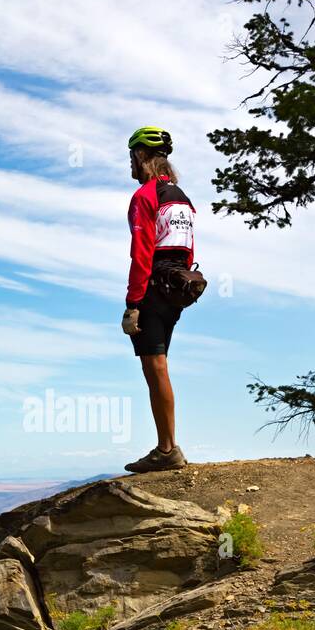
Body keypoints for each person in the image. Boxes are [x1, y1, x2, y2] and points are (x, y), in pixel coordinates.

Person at [121, 126, 196, 472]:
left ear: (140, 156)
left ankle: (167, 450)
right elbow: (187, 246)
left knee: (155, 365)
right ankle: (167, 446)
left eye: (132, 157)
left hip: (152, 287)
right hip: (179, 287)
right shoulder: (180, 197)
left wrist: (132, 304)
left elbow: (141, 252)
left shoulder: (145, 197)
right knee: (159, 363)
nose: (131, 165)